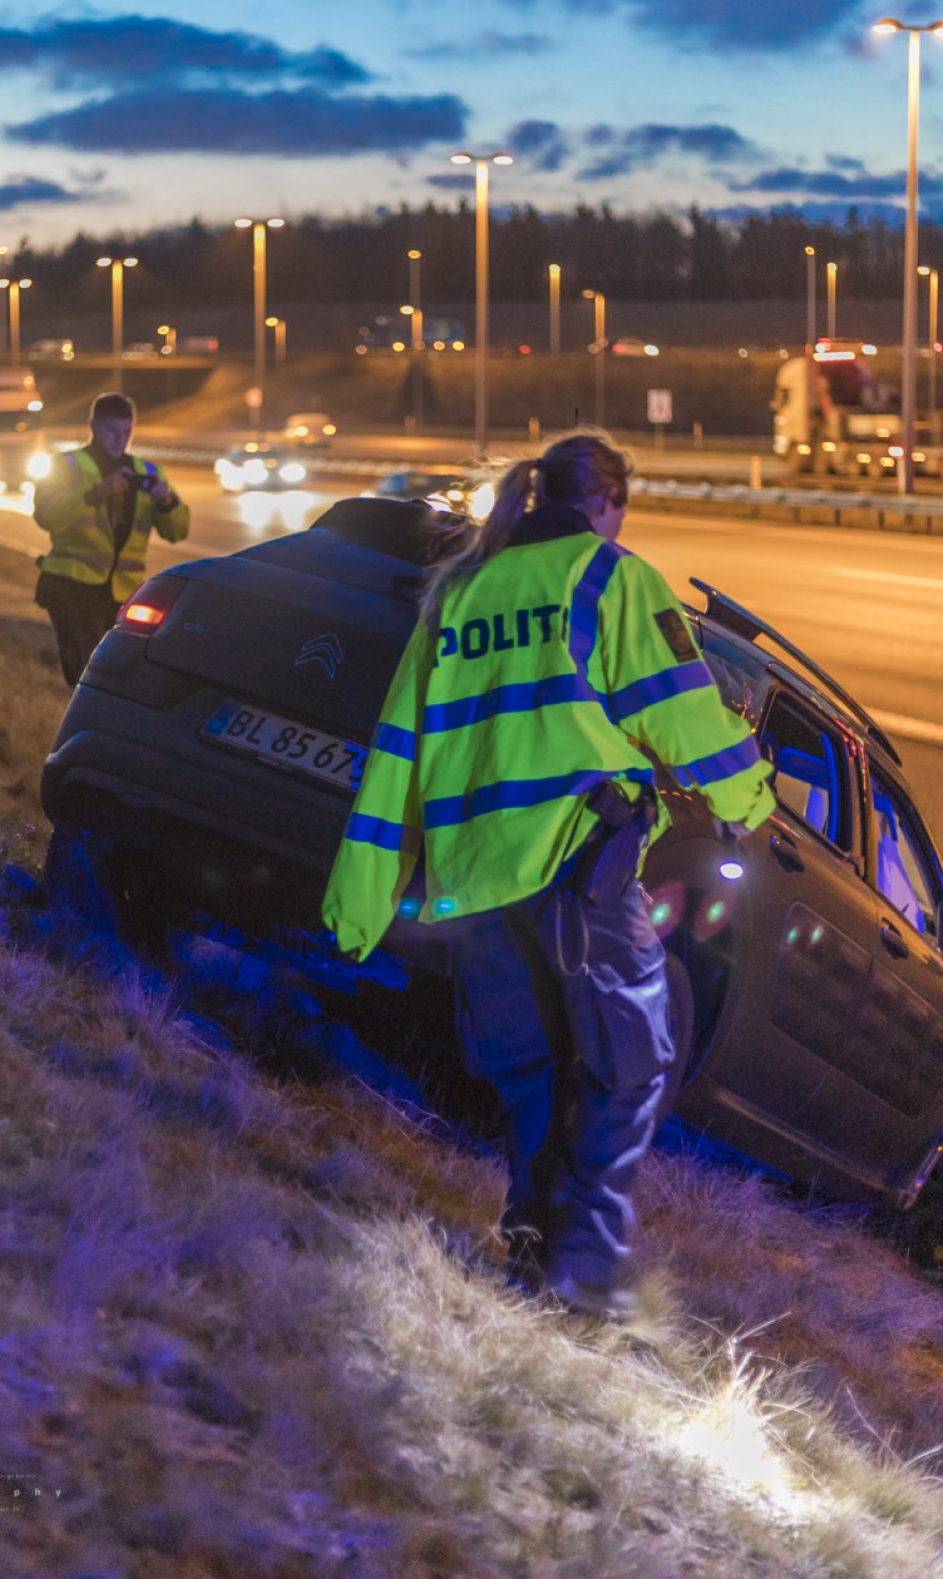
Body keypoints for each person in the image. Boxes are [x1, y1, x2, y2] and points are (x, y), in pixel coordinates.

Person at [322, 433, 775, 1321]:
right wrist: (749, 796)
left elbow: (396, 758)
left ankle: (530, 1246)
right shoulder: (608, 578)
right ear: (607, 503)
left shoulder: (458, 591)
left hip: (472, 883)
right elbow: (680, 708)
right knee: (633, 1063)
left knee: (531, 1073)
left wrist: (360, 897)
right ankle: (585, 1263)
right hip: (577, 861)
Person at [33, 391, 190, 685]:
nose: (121, 440)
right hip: (72, 587)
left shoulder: (147, 471)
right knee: (87, 673)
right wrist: (96, 494)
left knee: (116, 673)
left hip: (121, 594)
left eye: (127, 431)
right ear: (93, 427)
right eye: (112, 431)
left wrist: (165, 502)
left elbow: (178, 532)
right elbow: (47, 516)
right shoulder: (66, 466)